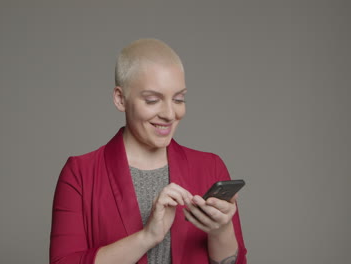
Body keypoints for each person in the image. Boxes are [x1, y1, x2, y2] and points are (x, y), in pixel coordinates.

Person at [49, 39, 247, 264]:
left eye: (179, 99)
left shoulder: (210, 166)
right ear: (120, 98)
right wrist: (148, 236)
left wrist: (221, 231)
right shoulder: (80, 174)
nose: (170, 114)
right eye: (152, 100)